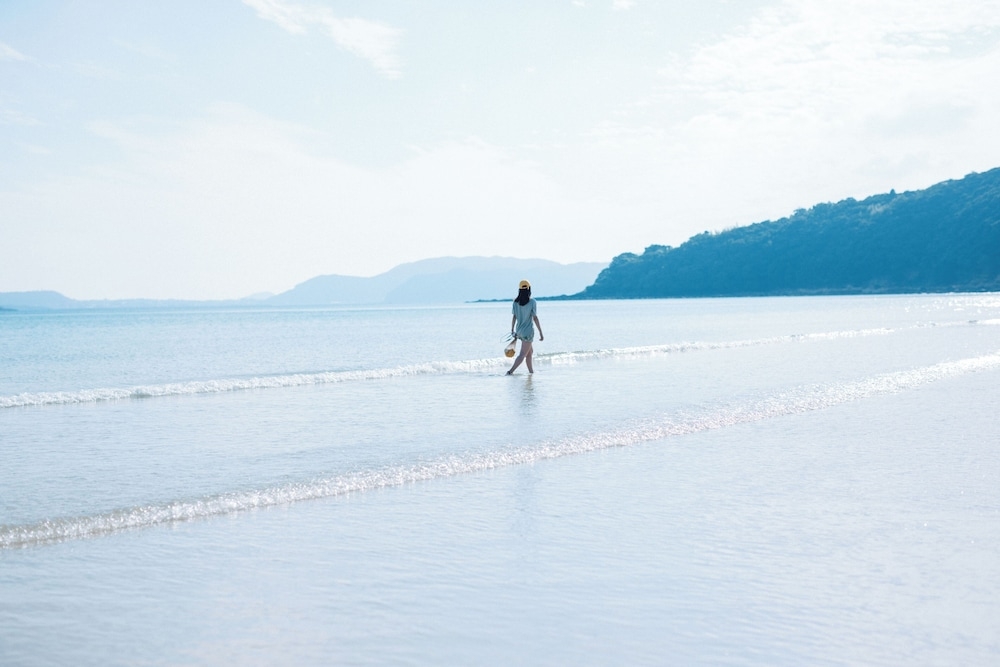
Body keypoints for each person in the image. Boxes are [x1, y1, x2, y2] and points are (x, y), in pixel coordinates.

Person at [506, 279, 544, 375]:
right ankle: (510, 371)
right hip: (528, 332)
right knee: (523, 354)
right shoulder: (532, 302)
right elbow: (535, 318)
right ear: (529, 289)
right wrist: (540, 332)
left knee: (530, 352)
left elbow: (514, 317)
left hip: (519, 331)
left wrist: (512, 330)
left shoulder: (515, 302)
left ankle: (531, 372)